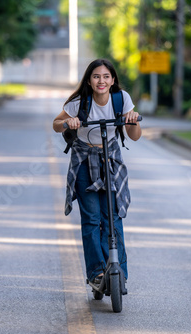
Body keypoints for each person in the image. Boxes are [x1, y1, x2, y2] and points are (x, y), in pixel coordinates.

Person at [52, 58, 142, 285]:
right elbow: (55, 123)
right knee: (91, 218)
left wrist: (132, 120)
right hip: (84, 160)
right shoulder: (79, 102)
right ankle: (96, 272)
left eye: (106, 77)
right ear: (89, 81)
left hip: (110, 159)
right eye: (96, 76)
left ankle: (118, 271)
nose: (101, 81)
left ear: (112, 80)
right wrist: (69, 122)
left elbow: (135, 136)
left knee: (112, 216)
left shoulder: (122, 99)